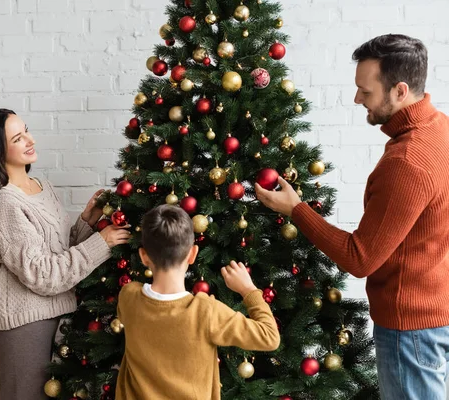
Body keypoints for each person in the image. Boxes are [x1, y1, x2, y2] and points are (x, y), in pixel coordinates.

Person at [255, 34, 449, 399]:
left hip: (411, 329)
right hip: (435, 311)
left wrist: (297, 210)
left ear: (400, 91)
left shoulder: (408, 162)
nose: (358, 98)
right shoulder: (441, 127)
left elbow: (360, 258)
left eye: (366, 91)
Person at [0, 108, 131, 400]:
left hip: (57, 314)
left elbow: (58, 253)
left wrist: (86, 222)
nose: (29, 140)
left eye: (26, 130)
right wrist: (102, 243)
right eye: (18, 138)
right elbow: (42, 274)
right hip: (23, 324)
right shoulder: (5, 203)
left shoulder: (42, 187)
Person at [115, 205, 280, 400]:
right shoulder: (206, 312)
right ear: (193, 254)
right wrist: (248, 290)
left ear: (144, 256)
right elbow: (269, 337)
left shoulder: (128, 296)